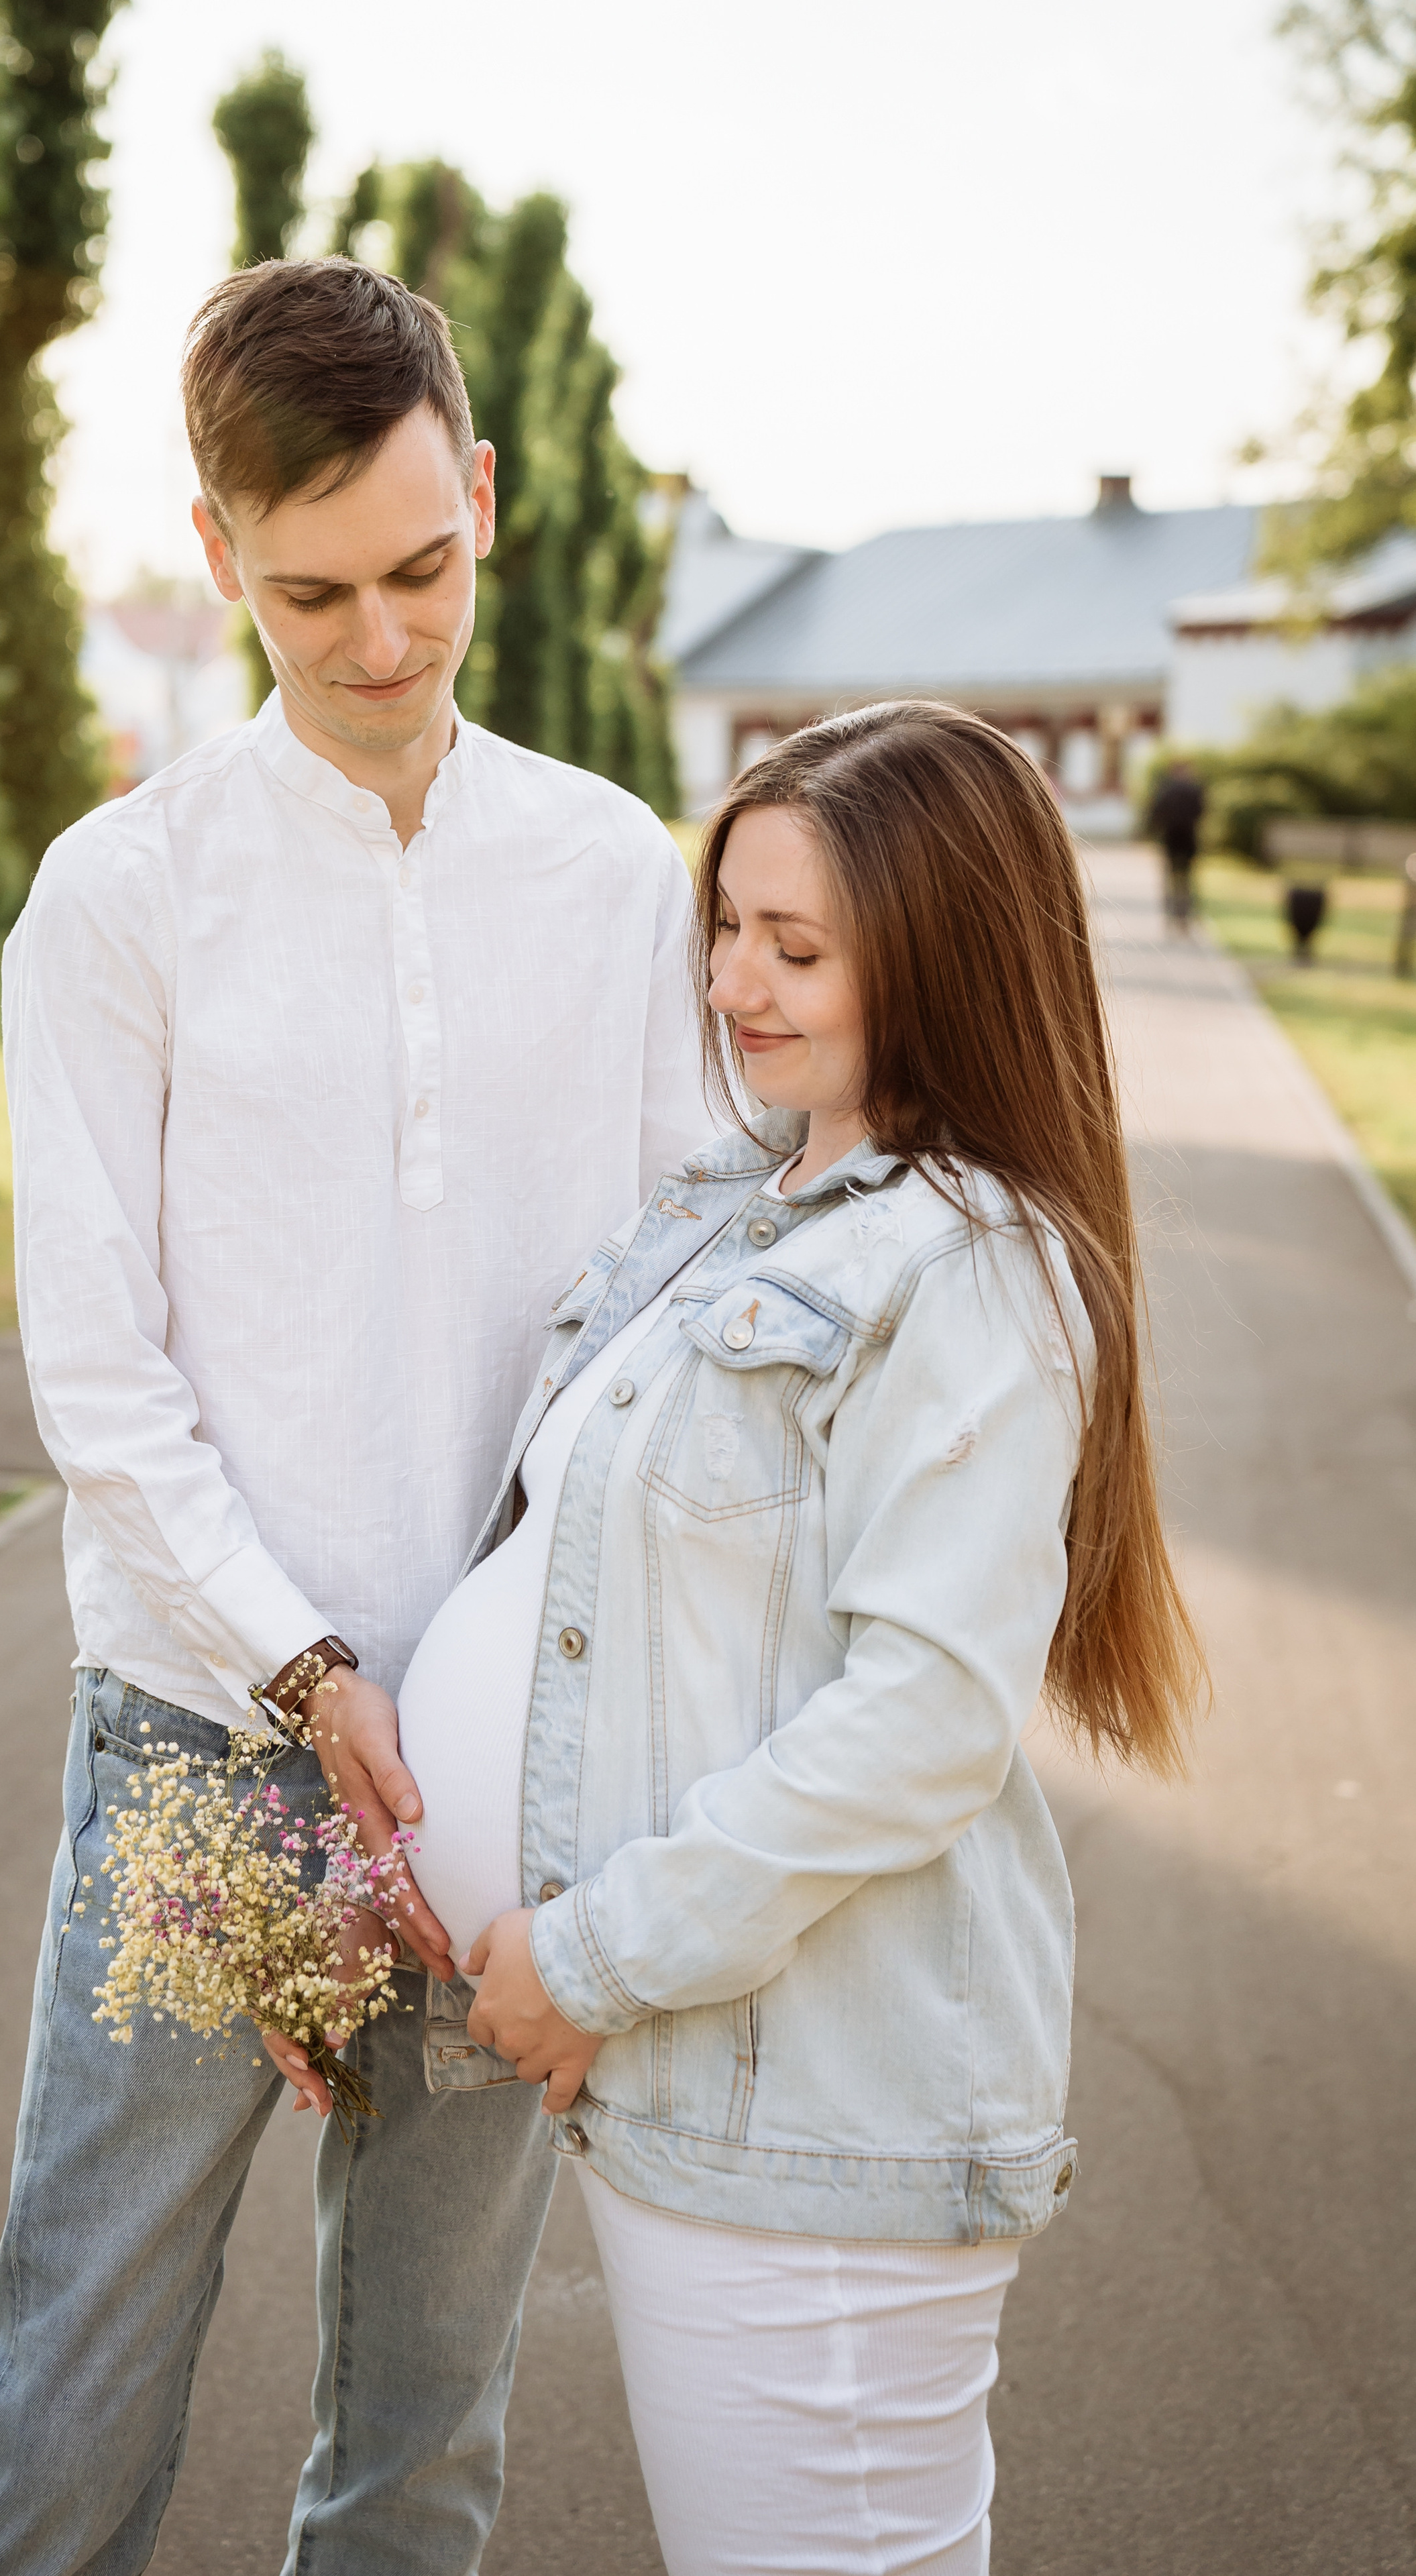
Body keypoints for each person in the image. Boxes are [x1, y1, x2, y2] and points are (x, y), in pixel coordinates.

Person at [0, 257, 706, 2576]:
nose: (380, 641)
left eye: (424, 570)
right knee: (70, 2403)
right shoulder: (115, 900)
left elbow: (666, 1316)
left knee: (423, 2432)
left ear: (484, 490)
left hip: (495, 1760)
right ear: (213, 554)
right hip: (207, 1752)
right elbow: (100, 1375)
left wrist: (504, 1702)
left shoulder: (614, 867)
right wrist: (301, 1673)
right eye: (310, 594)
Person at [396, 702, 1204, 2576]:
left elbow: (918, 1724)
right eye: (729, 924)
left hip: (812, 2114)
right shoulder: (743, 1212)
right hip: (702, 2075)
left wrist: (584, 1957)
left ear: (941, 956)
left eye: (801, 947)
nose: (736, 982)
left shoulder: (970, 1268)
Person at [1148, 757, 1206, 930]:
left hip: (1172, 838)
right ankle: (1184, 916)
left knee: (1173, 877)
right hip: (1187, 838)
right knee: (1186, 878)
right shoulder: (1194, 789)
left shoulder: (1166, 790)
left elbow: (1156, 813)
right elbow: (1201, 812)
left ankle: (1172, 915)